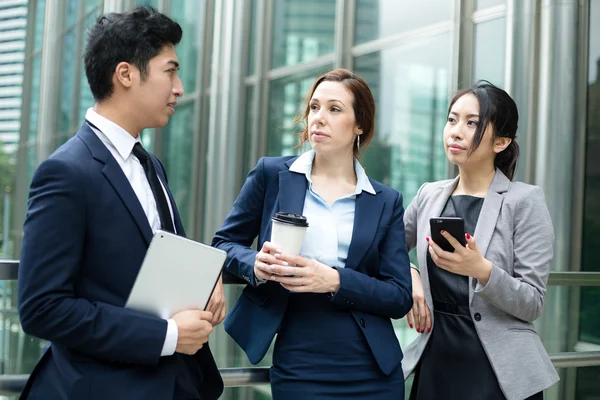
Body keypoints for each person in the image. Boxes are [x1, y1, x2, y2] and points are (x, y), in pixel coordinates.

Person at [18, 7, 224, 400]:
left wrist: (205, 280)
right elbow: (42, 308)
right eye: (170, 71)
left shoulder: (150, 165)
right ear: (126, 74)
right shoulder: (65, 172)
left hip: (176, 384)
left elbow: (153, 258)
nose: (179, 87)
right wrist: (168, 335)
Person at [212, 68, 413, 399]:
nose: (319, 118)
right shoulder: (272, 175)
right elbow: (223, 244)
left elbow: (398, 295)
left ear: (359, 125)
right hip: (299, 362)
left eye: (334, 109)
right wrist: (255, 264)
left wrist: (334, 280)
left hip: (372, 370)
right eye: (314, 107)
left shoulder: (385, 201)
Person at [402, 81, 559, 400]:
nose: (456, 131)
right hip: (437, 358)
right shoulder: (429, 194)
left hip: (497, 372)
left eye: (472, 123)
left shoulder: (524, 201)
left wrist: (481, 269)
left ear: (501, 141)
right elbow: (383, 248)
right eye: (452, 119)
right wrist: (412, 276)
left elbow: (532, 302)